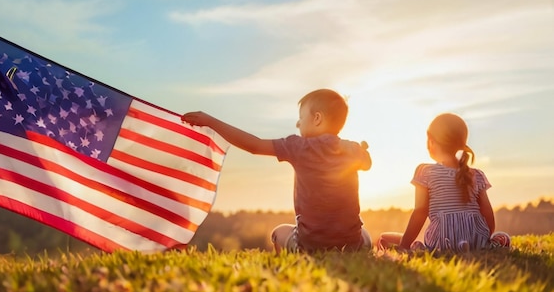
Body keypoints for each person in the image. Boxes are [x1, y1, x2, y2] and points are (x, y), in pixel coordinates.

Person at [181, 89, 372, 253]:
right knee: (365, 234)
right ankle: (357, 247)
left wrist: (211, 121)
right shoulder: (351, 149)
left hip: (311, 245)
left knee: (279, 232)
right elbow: (367, 164)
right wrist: (361, 150)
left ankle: (289, 264)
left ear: (317, 118)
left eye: (301, 118)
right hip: (351, 243)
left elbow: (254, 145)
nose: (298, 124)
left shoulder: (298, 146)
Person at [376, 113, 511, 253]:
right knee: (503, 237)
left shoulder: (425, 172)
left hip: (441, 242)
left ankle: (424, 246)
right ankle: (468, 246)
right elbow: (487, 213)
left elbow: (420, 212)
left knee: (386, 237)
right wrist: (484, 239)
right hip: (476, 242)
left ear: (431, 141)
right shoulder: (476, 175)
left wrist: (404, 245)